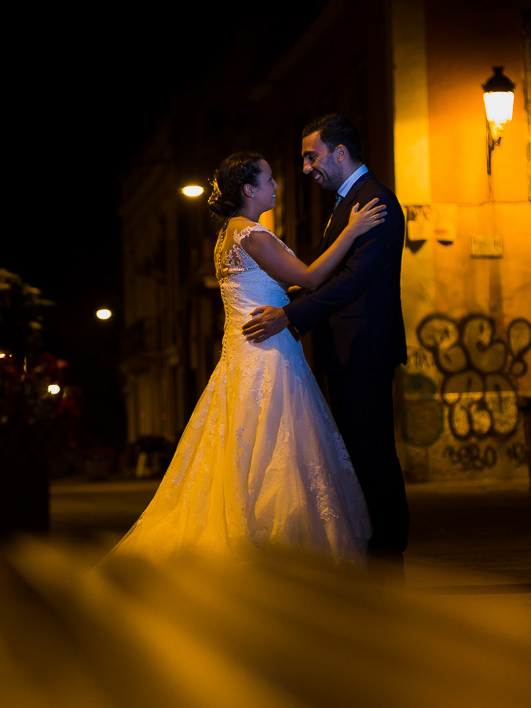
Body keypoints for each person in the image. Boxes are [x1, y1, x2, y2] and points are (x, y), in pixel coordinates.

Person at [99, 151, 385, 568]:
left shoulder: (227, 236)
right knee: (277, 449)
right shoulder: (251, 234)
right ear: (249, 189)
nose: (277, 185)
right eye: (269, 179)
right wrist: (353, 231)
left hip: (244, 356)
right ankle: (280, 548)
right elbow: (309, 277)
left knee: (246, 449)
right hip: (269, 358)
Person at [241, 114, 410, 578]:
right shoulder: (347, 202)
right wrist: (288, 298)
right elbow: (325, 272)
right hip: (346, 348)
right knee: (357, 450)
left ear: (339, 153)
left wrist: (290, 316)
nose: (305, 167)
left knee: (372, 451)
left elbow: (353, 281)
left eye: (311, 156)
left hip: (365, 348)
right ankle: (375, 548)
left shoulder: (374, 201)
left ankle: (388, 553)